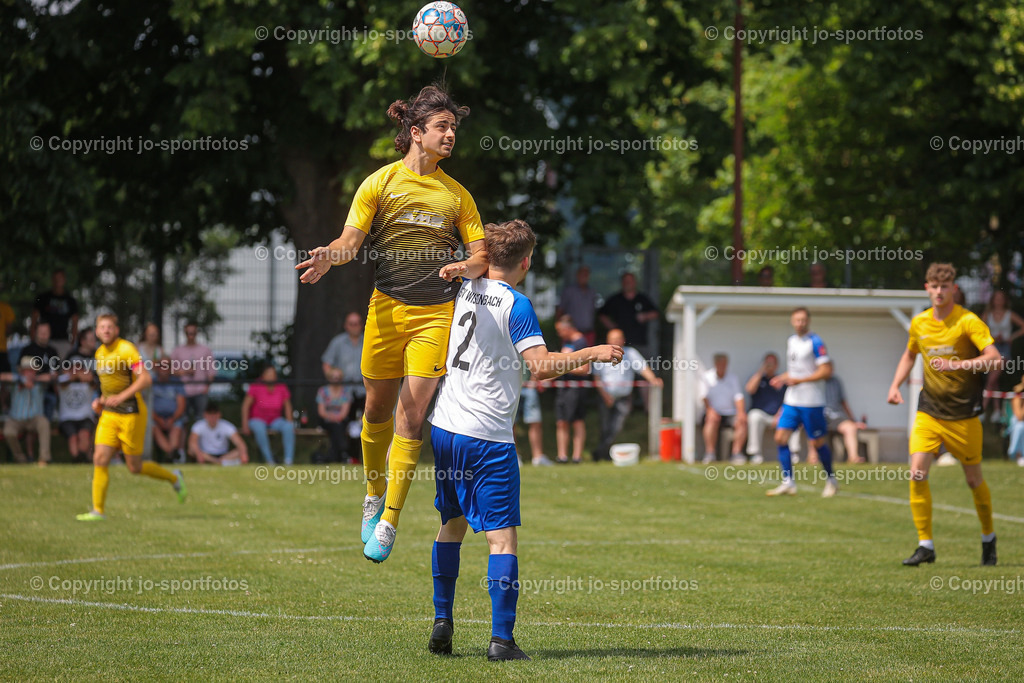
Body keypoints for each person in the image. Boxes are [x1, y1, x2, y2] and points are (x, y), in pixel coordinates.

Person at [296, 84, 488, 563]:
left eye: (454, 128)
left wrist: (466, 267)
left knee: (412, 414)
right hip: (385, 310)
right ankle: (373, 492)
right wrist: (328, 256)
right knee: (377, 411)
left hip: (435, 315)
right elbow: (348, 241)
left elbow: (481, 254)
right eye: (442, 127)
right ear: (416, 132)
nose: (450, 135)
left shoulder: (457, 195)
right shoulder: (379, 183)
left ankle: (391, 520)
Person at [426, 219, 623, 660]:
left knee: (451, 525)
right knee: (502, 540)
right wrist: (590, 353)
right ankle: (501, 640)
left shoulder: (463, 287)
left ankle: (443, 621)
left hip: (444, 428)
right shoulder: (516, 304)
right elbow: (541, 367)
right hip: (487, 437)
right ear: (527, 262)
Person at [887, 263, 1003, 566]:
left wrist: (959, 365)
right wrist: (895, 384)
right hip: (930, 412)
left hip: (964, 416)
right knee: (917, 472)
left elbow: (995, 358)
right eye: (934, 286)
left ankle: (988, 537)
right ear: (927, 288)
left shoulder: (967, 321)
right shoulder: (920, 323)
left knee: (974, 480)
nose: (939, 291)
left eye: (945, 286)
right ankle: (925, 544)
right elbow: (909, 354)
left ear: (954, 288)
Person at [76, 314, 186, 521]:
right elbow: (109, 388)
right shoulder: (99, 353)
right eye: (102, 327)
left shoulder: (126, 350)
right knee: (99, 459)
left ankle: (174, 478)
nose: (106, 330)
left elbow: (145, 379)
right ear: (97, 332)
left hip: (131, 414)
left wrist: (121, 397)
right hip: (109, 415)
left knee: (134, 467)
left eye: (110, 327)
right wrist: (100, 401)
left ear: (116, 330)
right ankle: (98, 511)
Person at [765, 307, 840, 497]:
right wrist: (782, 378)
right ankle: (788, 482)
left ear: (808, 321)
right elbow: (796, 371)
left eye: (803, 320)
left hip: (811, 401)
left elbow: (826, 371)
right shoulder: (791, 341)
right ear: (792, 321)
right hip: (792, 400)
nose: (800, 323)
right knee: (780, 438)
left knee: (817, 442)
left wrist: (800, 381)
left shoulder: (815, 342)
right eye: (797, 320)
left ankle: (831, 479)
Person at [591, 328, 663, 461]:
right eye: (613, 339)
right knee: (605, 426)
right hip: (605, 397)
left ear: (623, 340)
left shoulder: (630, 354)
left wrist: (653, 379)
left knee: (616, 427)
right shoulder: (601, 354)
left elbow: (643, 368)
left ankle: (601, 452)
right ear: (608, 341)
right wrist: (606, 396)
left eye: (618, 338)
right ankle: (603, 454)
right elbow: (597, 377)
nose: (615, 341)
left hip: (624, 398)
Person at [321, 311, 366, 457]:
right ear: (346, 326)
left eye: (357, 323)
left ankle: (360, 457)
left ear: (361, 325)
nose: (354, 327)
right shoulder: (338, 342)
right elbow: (327, 364)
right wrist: (334, 380)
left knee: (363, 424)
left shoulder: (368, 341)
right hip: (343, 392)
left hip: (363, 391)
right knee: (344, 424)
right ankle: (344, 455)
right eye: (351, 324)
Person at [744, 352, 800, 466]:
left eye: (772, 363)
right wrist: (761, 371)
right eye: (767, 363)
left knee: (795, 417)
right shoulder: (758, 378)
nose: (769, 365)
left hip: (779, 415)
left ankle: (794, 453)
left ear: (776, 365)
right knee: (754, 416)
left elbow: (789, 400)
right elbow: (749, 389)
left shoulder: (781, 381)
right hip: (762, 415)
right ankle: (755, 454)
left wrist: (779, 415)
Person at [805, 374, 869, 464]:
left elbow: (843, 402)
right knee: (812, 425)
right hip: (817, 414)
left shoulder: (836, 381)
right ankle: (813, 457)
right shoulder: (810, 381)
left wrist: (853, 420)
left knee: (850, 428)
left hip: (836, 416)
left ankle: (853, 457)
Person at [1, 356, 53, 465]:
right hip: (16, 419)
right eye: (28, 370)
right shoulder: (15, 382)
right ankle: (20, 459)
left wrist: (34, 380)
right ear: (22, 371)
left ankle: (43, 459)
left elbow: (50, 377)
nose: (30, 372)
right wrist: (21, 380)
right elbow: (3, 376)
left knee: (44, 423)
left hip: (34, 419)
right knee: (8, 432)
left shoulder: (39, 383)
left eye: (33, 370)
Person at [981, 291, 1024, 421]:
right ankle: (997, 411)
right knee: (993, 379)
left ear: (1004, 301)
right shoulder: (987, 315)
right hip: (991, 348)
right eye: (996, 299)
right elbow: (979, 330)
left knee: (992, 378)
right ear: (993, 300)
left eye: (1001, 299)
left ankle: (982, 408)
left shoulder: (1009, 314)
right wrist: (992, 338)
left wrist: (1010, 338)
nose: (998, 301)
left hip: (1004, 350)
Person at [241, 365, 295, 465]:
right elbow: (245, 406)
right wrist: (245, 423)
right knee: (259, 429)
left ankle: (288, 460)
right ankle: (269, 460)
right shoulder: (256, 385)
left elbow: (287, 406)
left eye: (273, 375)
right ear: (263, 376)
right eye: (268, 374)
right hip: (257, 419)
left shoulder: (281, 386)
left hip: (275, 419)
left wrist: (290, 421)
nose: (271, 377)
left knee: (288, 427)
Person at [553, 316, 589, 463]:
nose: (559, 334)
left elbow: (585, 369)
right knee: (561, 421)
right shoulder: (567, 343)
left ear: (568, 328)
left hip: (576, 388)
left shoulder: (581, 342)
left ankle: (577, 457)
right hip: (563, 387)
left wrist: (563, 366)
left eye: (560, 331)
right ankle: (562, 456)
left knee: (576, 421)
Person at [598, 272, 659, 359]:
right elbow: (602, 314)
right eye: (626, 281)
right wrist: (612, 328)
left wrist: (645, 316)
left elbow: (656, 313)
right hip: (619, 343)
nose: (628, 284)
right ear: (622, 283)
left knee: (641, 367)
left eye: (630, 281)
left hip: (639, 341)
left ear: (635, 282)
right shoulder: (615, 299)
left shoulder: (642, 298)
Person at [700, 353, 747, 465]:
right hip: (713, 413)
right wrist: (710, 411)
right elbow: (704, 397)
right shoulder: (706, 377)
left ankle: (736, 454)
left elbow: (738, 397)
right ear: (715, 364)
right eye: (720, 363)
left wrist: (741, 413)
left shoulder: (732, 378)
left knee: (742, 420)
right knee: (711, 420)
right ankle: (710, 453)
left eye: (724, 364)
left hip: (729, 413)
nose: (722, 366)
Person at [170, 321, 215, 424]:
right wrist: (184, 372)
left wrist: (206, 388)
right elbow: (170, 370)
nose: (190, 336)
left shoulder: (205, 350)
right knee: (182, 421)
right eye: (188, 333)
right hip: (183, 390)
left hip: (200, 390)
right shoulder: (178, 350)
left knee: (201, 420)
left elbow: (211, 371)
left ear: (196, 333)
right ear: (185, 333)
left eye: (193, 333)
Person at [57, 353, 96, 464]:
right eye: (73, 367)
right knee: (73, 438)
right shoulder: (63, 380)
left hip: (85, 417)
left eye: (79, 367)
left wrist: (87, 378)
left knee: (84, 434)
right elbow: (61, 382)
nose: (76, 370)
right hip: (67, 418)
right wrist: (73, 377)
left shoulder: (89, 381)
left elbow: (94, 383)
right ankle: (78, 460)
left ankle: (82, 459)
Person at [31, 269, 79, 358]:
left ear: (64, 280)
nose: (58, 280)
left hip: (63, 341)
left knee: (63, 368)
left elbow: (75, 323)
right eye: (56, 278)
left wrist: (72, 342)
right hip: (43, 341)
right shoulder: (43, 298)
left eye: (60, 278)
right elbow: (34, 320)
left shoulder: (70, 301)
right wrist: (33, 340)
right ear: (52, 280)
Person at [150, 361, 187, 463]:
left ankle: (171, 455)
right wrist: (158, 419)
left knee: (178, 425)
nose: (163, 370)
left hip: (174, 416)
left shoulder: (176, 382)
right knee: (152, 426)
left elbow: (181, 405)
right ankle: (172, 454)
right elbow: (147, 406)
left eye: (166, 367)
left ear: (170, 369)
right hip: (156, 418)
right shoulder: (150, 382)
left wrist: (172, 419)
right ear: (157, 369)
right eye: (161, 367)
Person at [138, 322, 165, 460]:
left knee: (149, 422)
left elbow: (163, 370)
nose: (152, 337)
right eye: (150, 334)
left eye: (155, 334)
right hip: (140, 388)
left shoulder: (159, 351)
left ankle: (147, 454)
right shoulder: (138, 348)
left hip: (153, 390)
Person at [317, 368, 355, 463]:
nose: (336, 379)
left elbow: (344, 412)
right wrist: (331, 417)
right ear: (329, 378)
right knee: (336, 427)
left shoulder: (346, 392)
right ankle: (343, 452)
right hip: (326, 421)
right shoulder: (323, 391)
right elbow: (321, 412)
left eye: (338, 377)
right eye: (333, 377)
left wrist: (337, 418)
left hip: (340, 421)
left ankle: (332, 457)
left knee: (337, 427)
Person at [517, 365, 551, 466]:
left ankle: (538, 457)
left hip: (529, 386)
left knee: (535, 421)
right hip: (511, 387)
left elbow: (535, 359)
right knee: (510, 423)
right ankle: (515, 456)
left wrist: (533, 379)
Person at [557, 265, 599, 346]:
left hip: (588, 332)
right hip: (572, 333)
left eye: (586, 275)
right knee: (570, 357)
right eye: (582, 274)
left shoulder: (592, 292)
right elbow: (560, 311)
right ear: (577, 275)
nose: (584, 277)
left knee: (589, 357)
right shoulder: (569, 291)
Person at [1007, 377, 1024, 466]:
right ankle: (1019, 455)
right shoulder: (1017, 396)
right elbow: (1020, 416)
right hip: (1017, 424)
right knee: (1020, 426)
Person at [0, 297, 15, 373]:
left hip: (2, 349)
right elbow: (9, 329)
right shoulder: (5, 307)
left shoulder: (5, 307)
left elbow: (8, 329)